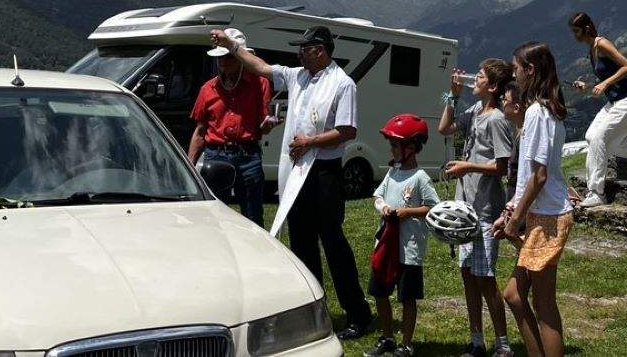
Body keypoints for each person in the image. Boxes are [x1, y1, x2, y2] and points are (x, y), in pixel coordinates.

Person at [217, 25, 374, 339]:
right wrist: (232, 46)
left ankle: (358, 314)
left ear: (320, 51)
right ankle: (310, 310)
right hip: (298, 171)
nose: (299, 53)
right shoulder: (297, 76)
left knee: (333, 242)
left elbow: (347, 131)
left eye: (304, 49)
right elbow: (260, 67)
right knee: (301, 242)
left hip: (325, 172)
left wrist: (310, 142)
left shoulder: (342, 83)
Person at [494, 42, 574, 357]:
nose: (514, 75)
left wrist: (515, 220)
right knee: (514, 295)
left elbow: (539, 176)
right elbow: (530, 175)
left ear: (530, 70)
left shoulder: (539, 112)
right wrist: (511, 211)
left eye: (516, 68)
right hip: (540, 214)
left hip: (548, 218)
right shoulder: (542, 111)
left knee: (544, 304)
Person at [438, 60, 516, 357]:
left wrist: (467, 166)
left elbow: (502, 166)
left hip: (485, 210)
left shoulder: (496, 119)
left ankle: (503, 344)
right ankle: (477, 341)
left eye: (480, 76)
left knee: (485, 278)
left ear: (492, 87)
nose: (474, 79)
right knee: (468, 276)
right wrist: (452, 96)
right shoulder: (474, 111)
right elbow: (444, 128)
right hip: (466, 210)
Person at [365, 114, 441, 357]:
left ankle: (406, 343)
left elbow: (433, 207)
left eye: (395, 145)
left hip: (409, 248)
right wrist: (384, 208)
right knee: (379, 291)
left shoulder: (421, 178)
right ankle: (387, 337)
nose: (392, 149)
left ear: (411, 147)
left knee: (407, 297)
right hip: (386, 245)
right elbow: (378, 196)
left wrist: (408, 212)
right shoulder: (392, 172)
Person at [188, 28, 273, 226]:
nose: (223, 62)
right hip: (216, 154)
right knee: (214, 216)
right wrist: (190, 166)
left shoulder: (260, 84)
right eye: (220, 58)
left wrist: (267, 126)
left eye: (229, 57)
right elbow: (200, 131)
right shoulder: (208, 89)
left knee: (253, 217)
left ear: (241, 57)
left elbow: (263, 124)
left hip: (248, 155)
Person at [569, 11, 627, 209]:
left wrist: (605, 84)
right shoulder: (592, 49)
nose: (574, 36)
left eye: (576, 31)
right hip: (615, 102)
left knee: (598, 138)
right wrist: (588, 86)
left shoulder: (601, 44)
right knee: (590, 136)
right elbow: (605, 77)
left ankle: (597, 193)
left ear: (586, 29)